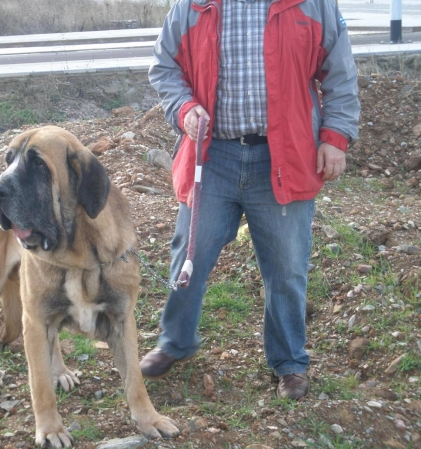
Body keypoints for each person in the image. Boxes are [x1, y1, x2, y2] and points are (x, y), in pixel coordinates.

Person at [140, 0, 360, 400]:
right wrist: (184, 107)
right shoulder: (194, 5)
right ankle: (175, 342)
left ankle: (289, 361)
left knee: (287, 267)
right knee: (189, 252)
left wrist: (335, 136)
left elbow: (340, 73)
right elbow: (164, 65)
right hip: (213, 157)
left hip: (285, 156)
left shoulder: (313, 5)